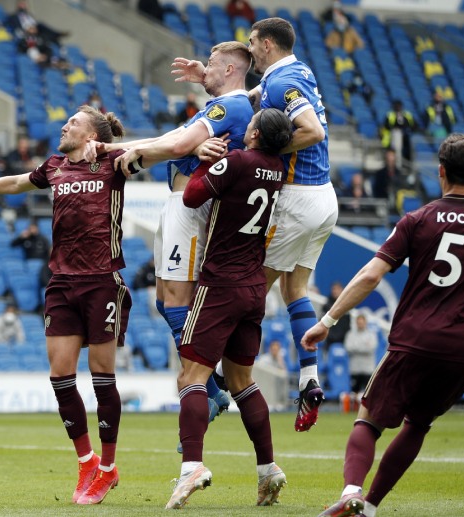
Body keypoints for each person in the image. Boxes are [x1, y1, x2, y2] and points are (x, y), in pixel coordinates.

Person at [300, 133, 464, 517]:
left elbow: (371, 275)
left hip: (414, 339)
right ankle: (368, 509)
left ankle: (352, 491)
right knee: (417, 424)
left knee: (368, 419)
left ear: (440, 171)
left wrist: (328, 320)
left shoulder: (417, 219)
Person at [0, 106, 135, 505]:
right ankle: (86, 462)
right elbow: (15, 183)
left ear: (92, 134)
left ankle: (109, 469)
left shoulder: (114, 161)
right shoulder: (55, 165)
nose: (64, 126)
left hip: (101, 279)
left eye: (73, 123)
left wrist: (196, 142)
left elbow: (154, 148)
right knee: (60, 375)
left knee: (102, 376)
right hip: (61, 282)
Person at [88, 41, 256, 430]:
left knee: (178, 298)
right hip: (177, 203)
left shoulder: (227, 107)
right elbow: (174, 140)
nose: (204, 67)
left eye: (212, 63)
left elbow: (176, 145)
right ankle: (210, 381)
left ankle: (205, 384)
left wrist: (116, 150)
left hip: (192, 207)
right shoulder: (220, 108)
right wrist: (118, 148)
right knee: (165, 301)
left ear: (230, 69)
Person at [165, 107, 292, 509]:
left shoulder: (236, 161)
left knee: (191, 377)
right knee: (241, 381)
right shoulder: (277, 167)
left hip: (220, 282)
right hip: (255, 286)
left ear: (253, 134)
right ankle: (268, 468)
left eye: (251, 125)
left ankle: (192, 468)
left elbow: (190, 196)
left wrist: (210, 161)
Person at [240, 17, 338, 432]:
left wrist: (269, 146)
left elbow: (312, 131)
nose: (248, 52)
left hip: (297, 198)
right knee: (293, 289)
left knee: (251, 290)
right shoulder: (296, 72)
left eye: (251, 44)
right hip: (324, 197)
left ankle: (222, 380)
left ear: (266, 45)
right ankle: (309, 380)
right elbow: (256, 93)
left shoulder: (281, 83)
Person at [344, 314, 377, 400]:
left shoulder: (371, 335)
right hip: (355, 369)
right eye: (358, 323)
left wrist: (356, 347)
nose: (360, 324)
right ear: (356, 323)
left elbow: (371, 348)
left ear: (365, 323)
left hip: (368, 369)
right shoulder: (350, 334)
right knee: (354, 392)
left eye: (362, 323)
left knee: (368, 393)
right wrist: (364, 346)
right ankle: (353, 411)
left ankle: (366, 412)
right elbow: (348, 347)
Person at [380, 100, 417, 168]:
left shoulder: (407, 115)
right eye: (397, 106)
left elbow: (414, 125)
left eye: (399, 106)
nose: (398, 108)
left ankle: (408, 165)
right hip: (393, 138)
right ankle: (397, 165)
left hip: (406, 138)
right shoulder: (390, 115)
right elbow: (386, 126)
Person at [320, 281, 351, 350]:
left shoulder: (346, 305)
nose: (335, 291)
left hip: (343, 341)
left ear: (342, 290)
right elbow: (322, 322)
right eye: (334, 289)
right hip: (329, 341)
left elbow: (347, 325)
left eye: (337, 289)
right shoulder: (326, 305)